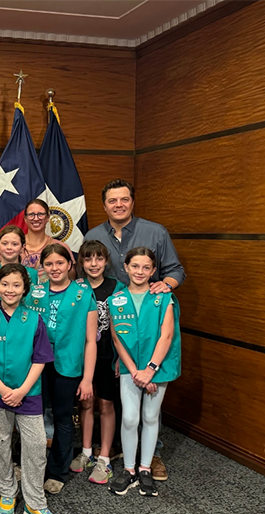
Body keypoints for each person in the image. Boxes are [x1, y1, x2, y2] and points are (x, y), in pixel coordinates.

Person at [85, 178, 186, 481]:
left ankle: (150, 455)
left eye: (124, 199)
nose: (119, 205)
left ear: (132, 201)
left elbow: (176, 271)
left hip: (149, 324)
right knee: (114, 394)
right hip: (109, 327)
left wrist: (163, 287)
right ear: (104, 205)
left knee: (149, 405)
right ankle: (117, 448)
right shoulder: (94, 234)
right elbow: (87, 271)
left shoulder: (155, 232)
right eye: (112, 201)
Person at [0, 264, 63, 514]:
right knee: (0, 443)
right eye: (5, 284)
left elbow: (40, 359)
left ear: (25, 289)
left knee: (35, 446)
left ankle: (35, 503)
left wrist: (21, 390)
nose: (10, 290)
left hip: (29, 394)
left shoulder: (34, 319)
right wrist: (1, 388)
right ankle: (7, 493)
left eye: (16, 285)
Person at [108, 247, 181, 497]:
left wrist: (150, 370)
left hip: (156, 368)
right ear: (125, 268)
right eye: (135, 266)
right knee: (129, 418)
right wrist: (135, 372)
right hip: (131, 369)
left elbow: (166, 335)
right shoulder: (115, 300)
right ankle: (129, 470)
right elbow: (117, 340)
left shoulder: (163, 297)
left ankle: (145, 468)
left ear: (153, 270)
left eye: (146, 267)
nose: (140, 271)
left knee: (150, 417)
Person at [25, 244, 97, 495]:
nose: (54, 268)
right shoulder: (34, 293)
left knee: (63, 417)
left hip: (67, 364)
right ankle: (32, 466)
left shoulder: (83, 293)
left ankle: (57, 471)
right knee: (31, 417)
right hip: (36, 364)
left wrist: (87, 378)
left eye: (59, 263)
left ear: (70, 264)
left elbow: (90, 340)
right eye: (49, 264)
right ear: (42, 267)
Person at [69, 240, 124, 485]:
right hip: (83, 357)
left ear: (106, 261)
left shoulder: (117, 287)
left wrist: (122, 357)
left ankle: (104, 458)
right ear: (81, 262)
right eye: (88, 259)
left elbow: (124, 328)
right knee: (86, 403)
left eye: (99, 259)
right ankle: (87, 451)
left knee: (106, 405)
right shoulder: (76, 287)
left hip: (108, 356)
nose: (94, 264)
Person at [20, 198, 74, 283]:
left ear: (48, 217)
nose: (36, 218)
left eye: (40, 214)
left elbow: (70, 280)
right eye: (31, 214)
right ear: (25, 219)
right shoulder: (14, 246)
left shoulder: (61, 247)